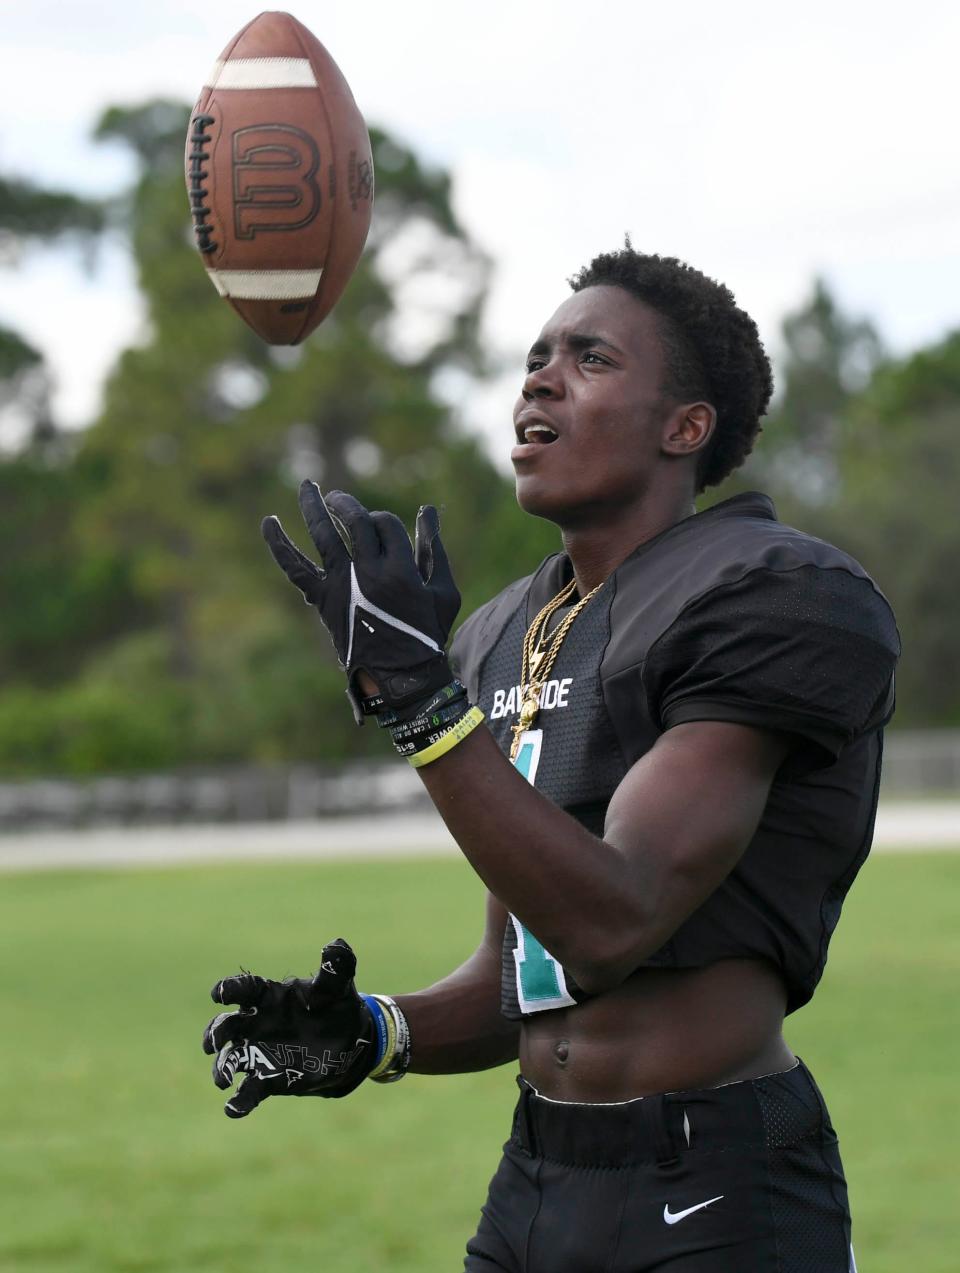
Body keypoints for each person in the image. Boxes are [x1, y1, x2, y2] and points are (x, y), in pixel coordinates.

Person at [202, 247, 900, 1271]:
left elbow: (610, 923)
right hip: (538, 1176)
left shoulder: (776, 592)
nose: (539, 377)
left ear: (685, 425)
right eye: (536, 356)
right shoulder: (503, 630)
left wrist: (423, 706)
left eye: (590, 357)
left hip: (714, 1182)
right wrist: (374, 1030)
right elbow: (520, 976)